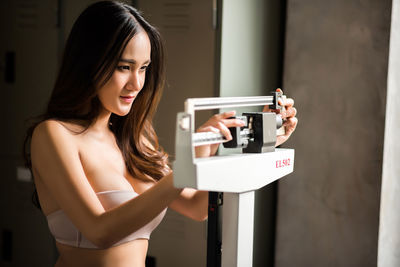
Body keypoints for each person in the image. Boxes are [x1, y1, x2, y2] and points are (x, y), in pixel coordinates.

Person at [23, 1, 298, 266]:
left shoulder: (134, 138)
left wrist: (259, 140)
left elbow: (197, 207)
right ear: (89, 63)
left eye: (143, 68)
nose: (137, 83)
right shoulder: (53, 135)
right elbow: (99, 231)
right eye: (124, 67)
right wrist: (182, 170)